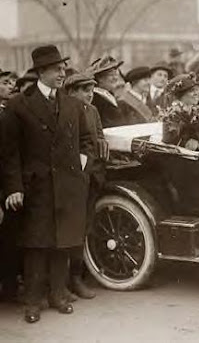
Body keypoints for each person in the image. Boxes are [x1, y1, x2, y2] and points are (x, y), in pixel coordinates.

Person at [1, 45, 94, 323]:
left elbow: (87, 140)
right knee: (36, 245)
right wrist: (14, 187)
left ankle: (57, 295)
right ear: (41, 72)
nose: (62, 74)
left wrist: (80, 166)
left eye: (63, 68)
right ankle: (32, 301)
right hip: (36, 188)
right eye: (57, 69)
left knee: (61, 243)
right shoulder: (19, 104)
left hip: (67, 185)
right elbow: (9, 153)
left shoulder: (72, 104)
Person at [63, 73, 110, 300]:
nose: (90, 94)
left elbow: (99, 140)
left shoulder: (93, 111)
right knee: (68, 231)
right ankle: (66, 280)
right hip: (72, 179)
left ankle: (77, 277)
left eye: (91, 90)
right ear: (71, 92)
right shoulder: (64, 111)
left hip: (92, 177)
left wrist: (97, 170)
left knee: (84, 228)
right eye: (84, 90)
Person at [0, 68, 22, 303]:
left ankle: (9, 287)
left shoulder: (10, 113)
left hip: (9, 188)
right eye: (5, 83)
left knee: (10, 239)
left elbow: (12, 156)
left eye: (11, 83)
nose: (10, 87)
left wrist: (14, 188)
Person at [161, 74, 199, 151]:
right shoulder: (171, 115)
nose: (197, 93)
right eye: (192, 91)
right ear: (180, 95)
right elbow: (169, 144)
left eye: (197, 90)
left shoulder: (197, 111)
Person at [89, 56, 126, 128]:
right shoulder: (95, 99)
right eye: (111, 75)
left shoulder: (108, 95)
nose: (115, 78)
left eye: (116, 74)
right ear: (100, 78)